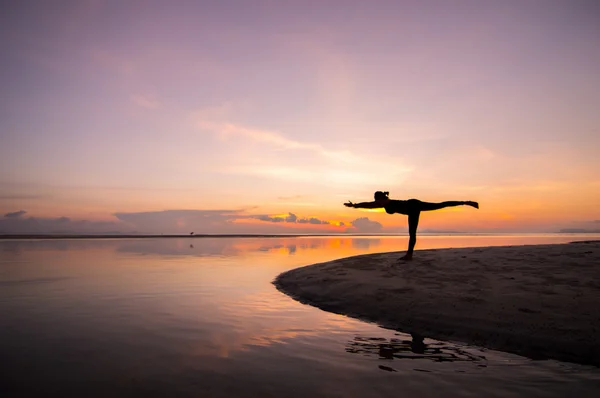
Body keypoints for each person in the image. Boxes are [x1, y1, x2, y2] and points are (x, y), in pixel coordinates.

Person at [344, 191, 478, 261]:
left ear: (380, 199)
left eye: (377, 199)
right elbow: (371, 204)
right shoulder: (385, 202)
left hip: (412, 206)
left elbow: (369, 205)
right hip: (412, 205)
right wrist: (355, 205)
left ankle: (409, 255)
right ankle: (465, 202)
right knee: (439, 205)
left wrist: (355, 205)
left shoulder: (385, 202)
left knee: (414, 231)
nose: (376, 202)